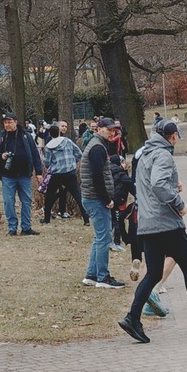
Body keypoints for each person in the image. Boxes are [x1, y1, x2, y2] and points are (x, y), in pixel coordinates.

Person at [119, 120, 187, 344]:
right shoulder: (163, 155)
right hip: (167, 223)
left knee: (154, 273)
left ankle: (132, 317)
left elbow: (148, 186)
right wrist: (178, 202)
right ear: (172, 136)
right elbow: (158, 184)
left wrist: (172, 186)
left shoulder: (144, 154)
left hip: (146, 223)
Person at [78, 119, 125, 289]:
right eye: (108, 129)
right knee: (104, 238)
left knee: (99, 237)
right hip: (95, 199)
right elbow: (97, 176)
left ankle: (91, 275)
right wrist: (107, 199)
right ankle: (103, 278)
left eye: (114, 130)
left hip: (91, 197)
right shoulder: (97, 148)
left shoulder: (96, 144)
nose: (112, 133)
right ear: (99, 129)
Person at [0, 111, 41, 235]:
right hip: (8, 176)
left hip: (24, 175)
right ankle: (12, 228)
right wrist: (0, 156)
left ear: (15, 122)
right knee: (8, 202)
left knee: (26, 201)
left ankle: (26, 227)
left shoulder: (26, 136)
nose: (7, 125)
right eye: (5, 122)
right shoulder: (0, 138)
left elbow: (35, 154)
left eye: (9, 122)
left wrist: (39, 172)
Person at [41, 123, 81, 220]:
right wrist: (72, 162)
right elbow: (79, 153)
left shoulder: (49, 146)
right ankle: (86, 217)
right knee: (77, 195)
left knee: (50, 195)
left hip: (56, 174)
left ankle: (47, 217)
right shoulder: (67, 141)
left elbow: (47, 162)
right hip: (70, 172)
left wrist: (50, 166)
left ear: (50, 134)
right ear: (59, 131)